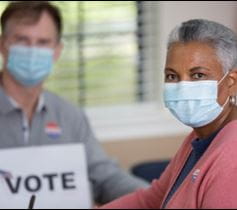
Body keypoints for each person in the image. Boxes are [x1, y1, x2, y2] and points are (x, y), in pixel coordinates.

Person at [0, 1, 149, 205]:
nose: (33, 51)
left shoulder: (70, 115)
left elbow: (104, 178)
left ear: (57, 51)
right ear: (2, 44)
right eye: (22, 40)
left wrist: (156, 197)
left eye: (43, 42)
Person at [100, 19, 237, 209]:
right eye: (172, 76)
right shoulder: (198, 139)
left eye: (198, 75)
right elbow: (151, 200)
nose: (183, 87)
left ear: (232, 82)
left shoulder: (232, 157)